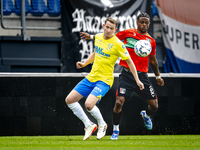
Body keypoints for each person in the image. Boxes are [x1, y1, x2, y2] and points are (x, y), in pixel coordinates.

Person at [65, 17, 144, 141]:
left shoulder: (118, 44)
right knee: (69, 100)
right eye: (107, 27)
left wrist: (137, 80)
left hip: (105, 80)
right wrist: (85, 64)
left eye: (111, 28)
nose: (108, 30)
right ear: (103, 26)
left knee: (88, 104)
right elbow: (96, 53)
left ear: (115, 30)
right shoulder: (98, 37)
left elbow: (130, 62)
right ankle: (88, 124)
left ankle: (102, 124)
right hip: (91, 77)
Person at [109, 13, 165, 140]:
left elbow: (153, 62)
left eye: (146, 22)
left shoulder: (151, 41)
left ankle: (146, 115)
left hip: (142, 77)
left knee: (154, 106)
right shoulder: (128, 33)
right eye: (142, 22)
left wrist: (157, 77)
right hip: (127, 75)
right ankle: (116, 130)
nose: (144, 25)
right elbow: (112, 38)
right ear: (137, 23)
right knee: (118, 102)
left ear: (149, 24)